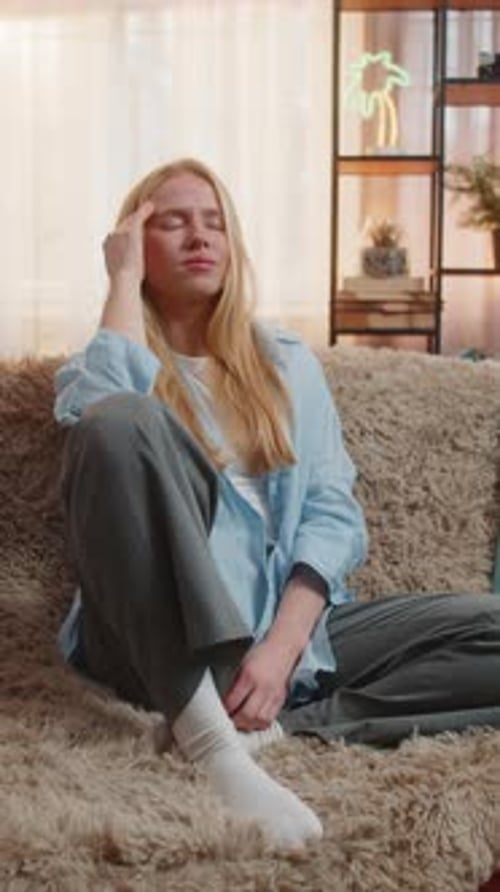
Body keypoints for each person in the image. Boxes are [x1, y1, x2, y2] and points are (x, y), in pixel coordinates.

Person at [54, 158, 500, 850]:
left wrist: (285, 646)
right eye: (171, 222)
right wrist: (119, 280)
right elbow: (100, 423)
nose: (200, 237)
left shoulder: (286, 363)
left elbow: (331, 509)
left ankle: (289, 730)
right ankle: (212, 739)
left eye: (215, 223)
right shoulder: (107, 362)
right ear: (134, 242)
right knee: (119, 423)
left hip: (285, 634)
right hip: (155, 636)